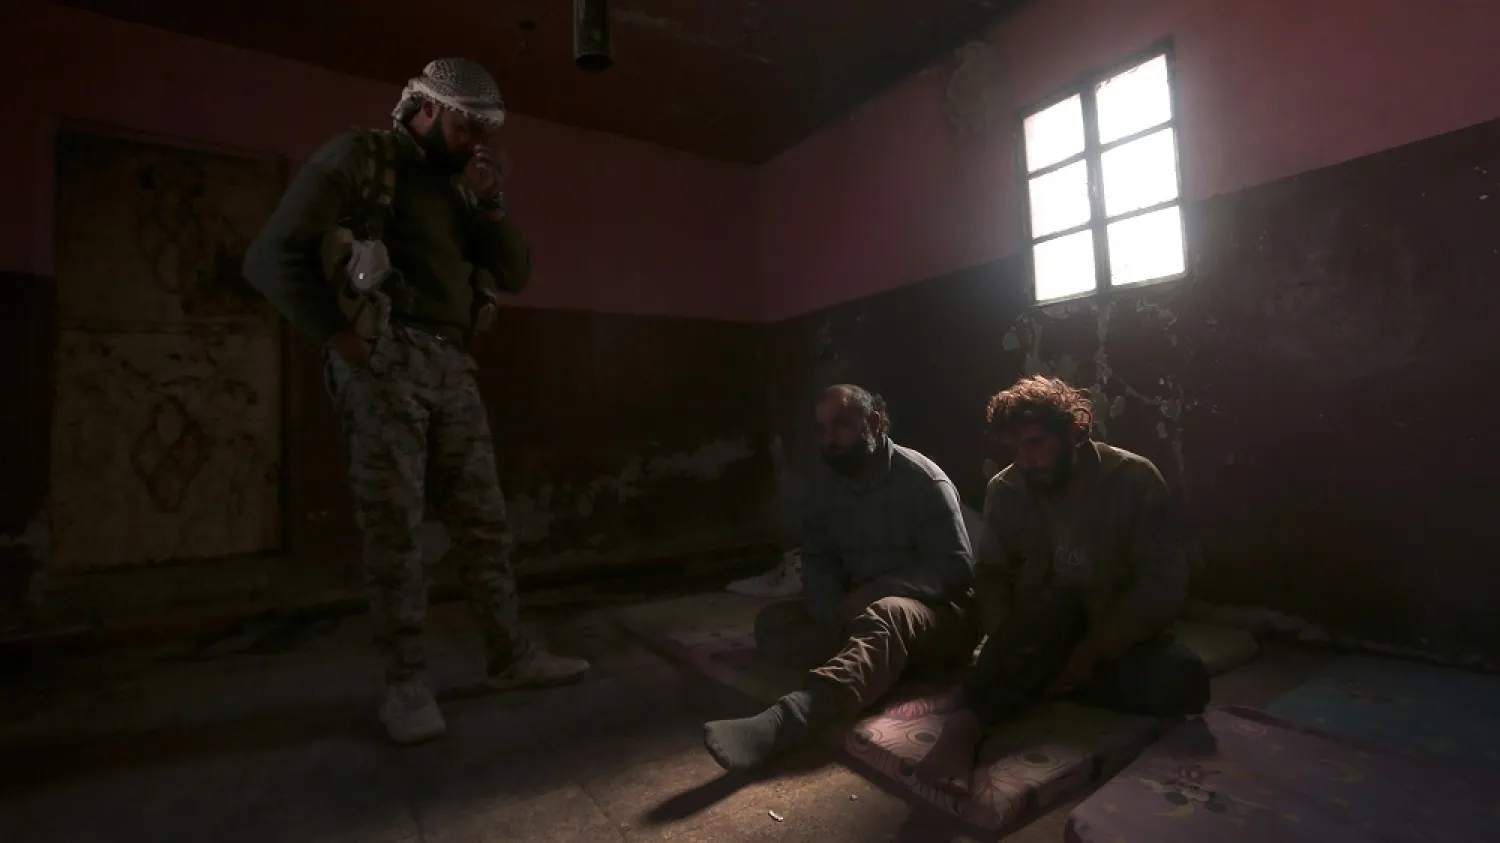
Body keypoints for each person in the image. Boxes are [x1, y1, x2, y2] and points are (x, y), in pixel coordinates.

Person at [242, 58, 589, 746]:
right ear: (426, 108)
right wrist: (341, 338)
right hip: (382, 359)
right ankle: (405, 685)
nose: (474, 143)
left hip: (452, 364)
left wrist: (491, 200)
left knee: (484, 522)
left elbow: (515, 271)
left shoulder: (463, 189)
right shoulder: (362, 155)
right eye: (466, 127)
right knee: (395, 529)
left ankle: (510, 657)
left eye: (485, 132)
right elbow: (270, 256)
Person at [914, 375, 1209, 793]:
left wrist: (1092, 651)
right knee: (1052, 606)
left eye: (1035, 443)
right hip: (1039, 628)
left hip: (1114, 635)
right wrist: (1000, 641)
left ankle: (1036, 684)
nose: (1025, 460)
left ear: (1075, 432)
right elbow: (992, 576)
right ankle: (965, 726)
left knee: (1186, 679)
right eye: (1014, 449)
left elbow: (1162, 586)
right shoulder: (1007, 489)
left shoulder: (1135, 479)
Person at [702, 385, 978, 771]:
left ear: (875, 423)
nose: (829, 439)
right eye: (822, 428)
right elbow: (818, 559)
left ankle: (792, 719)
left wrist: (871, 593)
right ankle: (883, 664)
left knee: (885, 614)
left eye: (841, 425)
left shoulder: (923, 481)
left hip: (935, 615)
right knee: (774, 625)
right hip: (859, 612)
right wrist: (828, 607)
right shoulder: (827, 488)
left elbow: (957, 567)